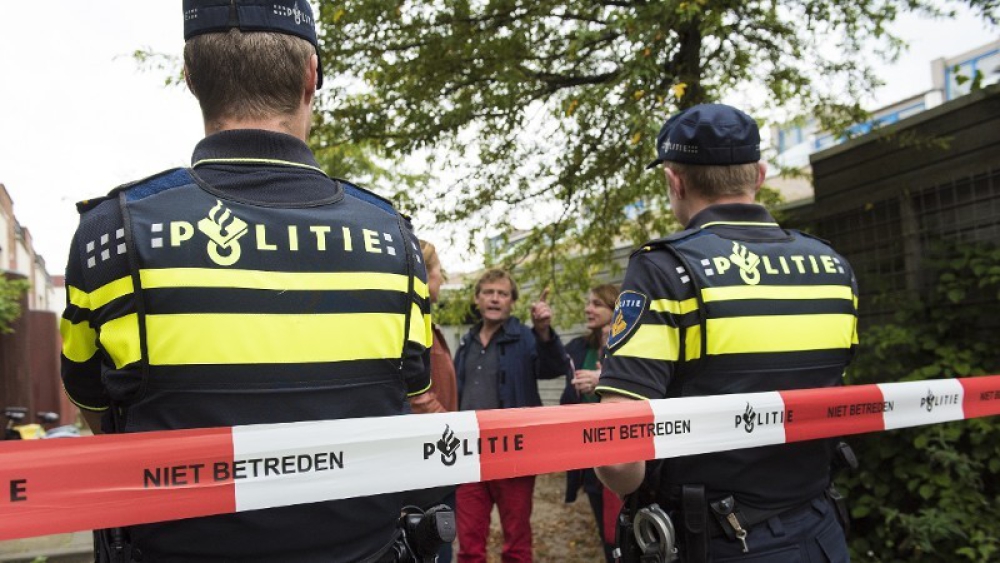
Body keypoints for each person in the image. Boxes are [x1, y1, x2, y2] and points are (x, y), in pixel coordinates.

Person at [58, 1, 432, 561]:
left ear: (191, 78)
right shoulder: (394, 239)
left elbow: (95, 410)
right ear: (311, 78)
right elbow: (413, 403)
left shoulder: (113, 233)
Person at [595, 104, 858, 562]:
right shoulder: (833, 267)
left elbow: (619, 456)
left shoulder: (665, 269)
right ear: (758, 175)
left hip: (713, 541)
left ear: (674, 181)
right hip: (820, 532)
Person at [453, 269, 571, 563]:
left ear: (512, 302)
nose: (495, 298)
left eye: (502, 293)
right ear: (477, 299)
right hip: (469, 455)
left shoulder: (527, 338)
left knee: (517, 545)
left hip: (514, 454)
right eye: (488, 292)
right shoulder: (466, 342)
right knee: (468, 547)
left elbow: (555, 368)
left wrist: (544, 332)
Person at [559, 283, 622, 563]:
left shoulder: (630, 345)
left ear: (615, 309)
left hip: (621, 450)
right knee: (606, 531)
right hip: (587, 451)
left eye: (597, 304)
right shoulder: (579, 346)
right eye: (588, 302)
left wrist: (603, 379)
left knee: (624, 528)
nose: (588, 309)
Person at [408, 239, 458, 563]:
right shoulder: (413, 327)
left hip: (440, 467)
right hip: (429, 465)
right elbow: (417, 398)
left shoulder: (428, 324)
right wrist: (455, 437)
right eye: (440, 269)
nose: (443, 278)